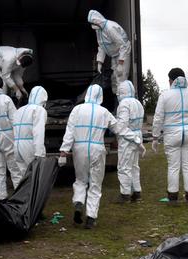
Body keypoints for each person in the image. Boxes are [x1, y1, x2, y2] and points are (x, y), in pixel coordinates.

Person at [59, 83, 144, 228]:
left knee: (80, 180)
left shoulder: (76, 110)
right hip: (97, 148)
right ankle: (91, 218)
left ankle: (79, 202)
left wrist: (64, 150)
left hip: (79, 148)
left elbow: (70, 131)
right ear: (100, 97)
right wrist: (136, 139)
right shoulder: (104, 112)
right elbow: (120, 129)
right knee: (95, 184)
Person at [152, 67, 188, 204]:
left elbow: (158, 118)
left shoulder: (165, 96)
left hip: (171, 136)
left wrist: (155, 137)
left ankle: (173, 197)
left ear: (172, 80)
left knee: (173, 166)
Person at [88, 9, 131, 94]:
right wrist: (99, 62)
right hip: (114, 54)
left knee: (121, 78)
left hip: (123, 53)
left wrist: (121, 63)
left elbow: (122, 45)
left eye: (93, 23)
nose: (92, 26)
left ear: (98, 21)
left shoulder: (110, 28)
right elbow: (101, 46)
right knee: (114, 79)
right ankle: (117, 100)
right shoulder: (99, 30)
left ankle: (124, 102)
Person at [116, 80, 144, 202]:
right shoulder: (138, 103)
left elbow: (122, 126)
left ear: (122, 92)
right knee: (134, 166)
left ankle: (125, 194)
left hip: (128, 138)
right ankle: (137, 192)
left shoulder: (124, 104)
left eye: (119, 92)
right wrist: (137, 139)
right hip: (137, 136)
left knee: (124, 167)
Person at [13, 86, 48, 177]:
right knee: (35, 176)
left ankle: (23, 192)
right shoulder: (39, 110)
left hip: (17, 147)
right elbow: (38, 132)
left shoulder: (19, 110)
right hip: (29, 146)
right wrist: (39, 152)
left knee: (23, 178)